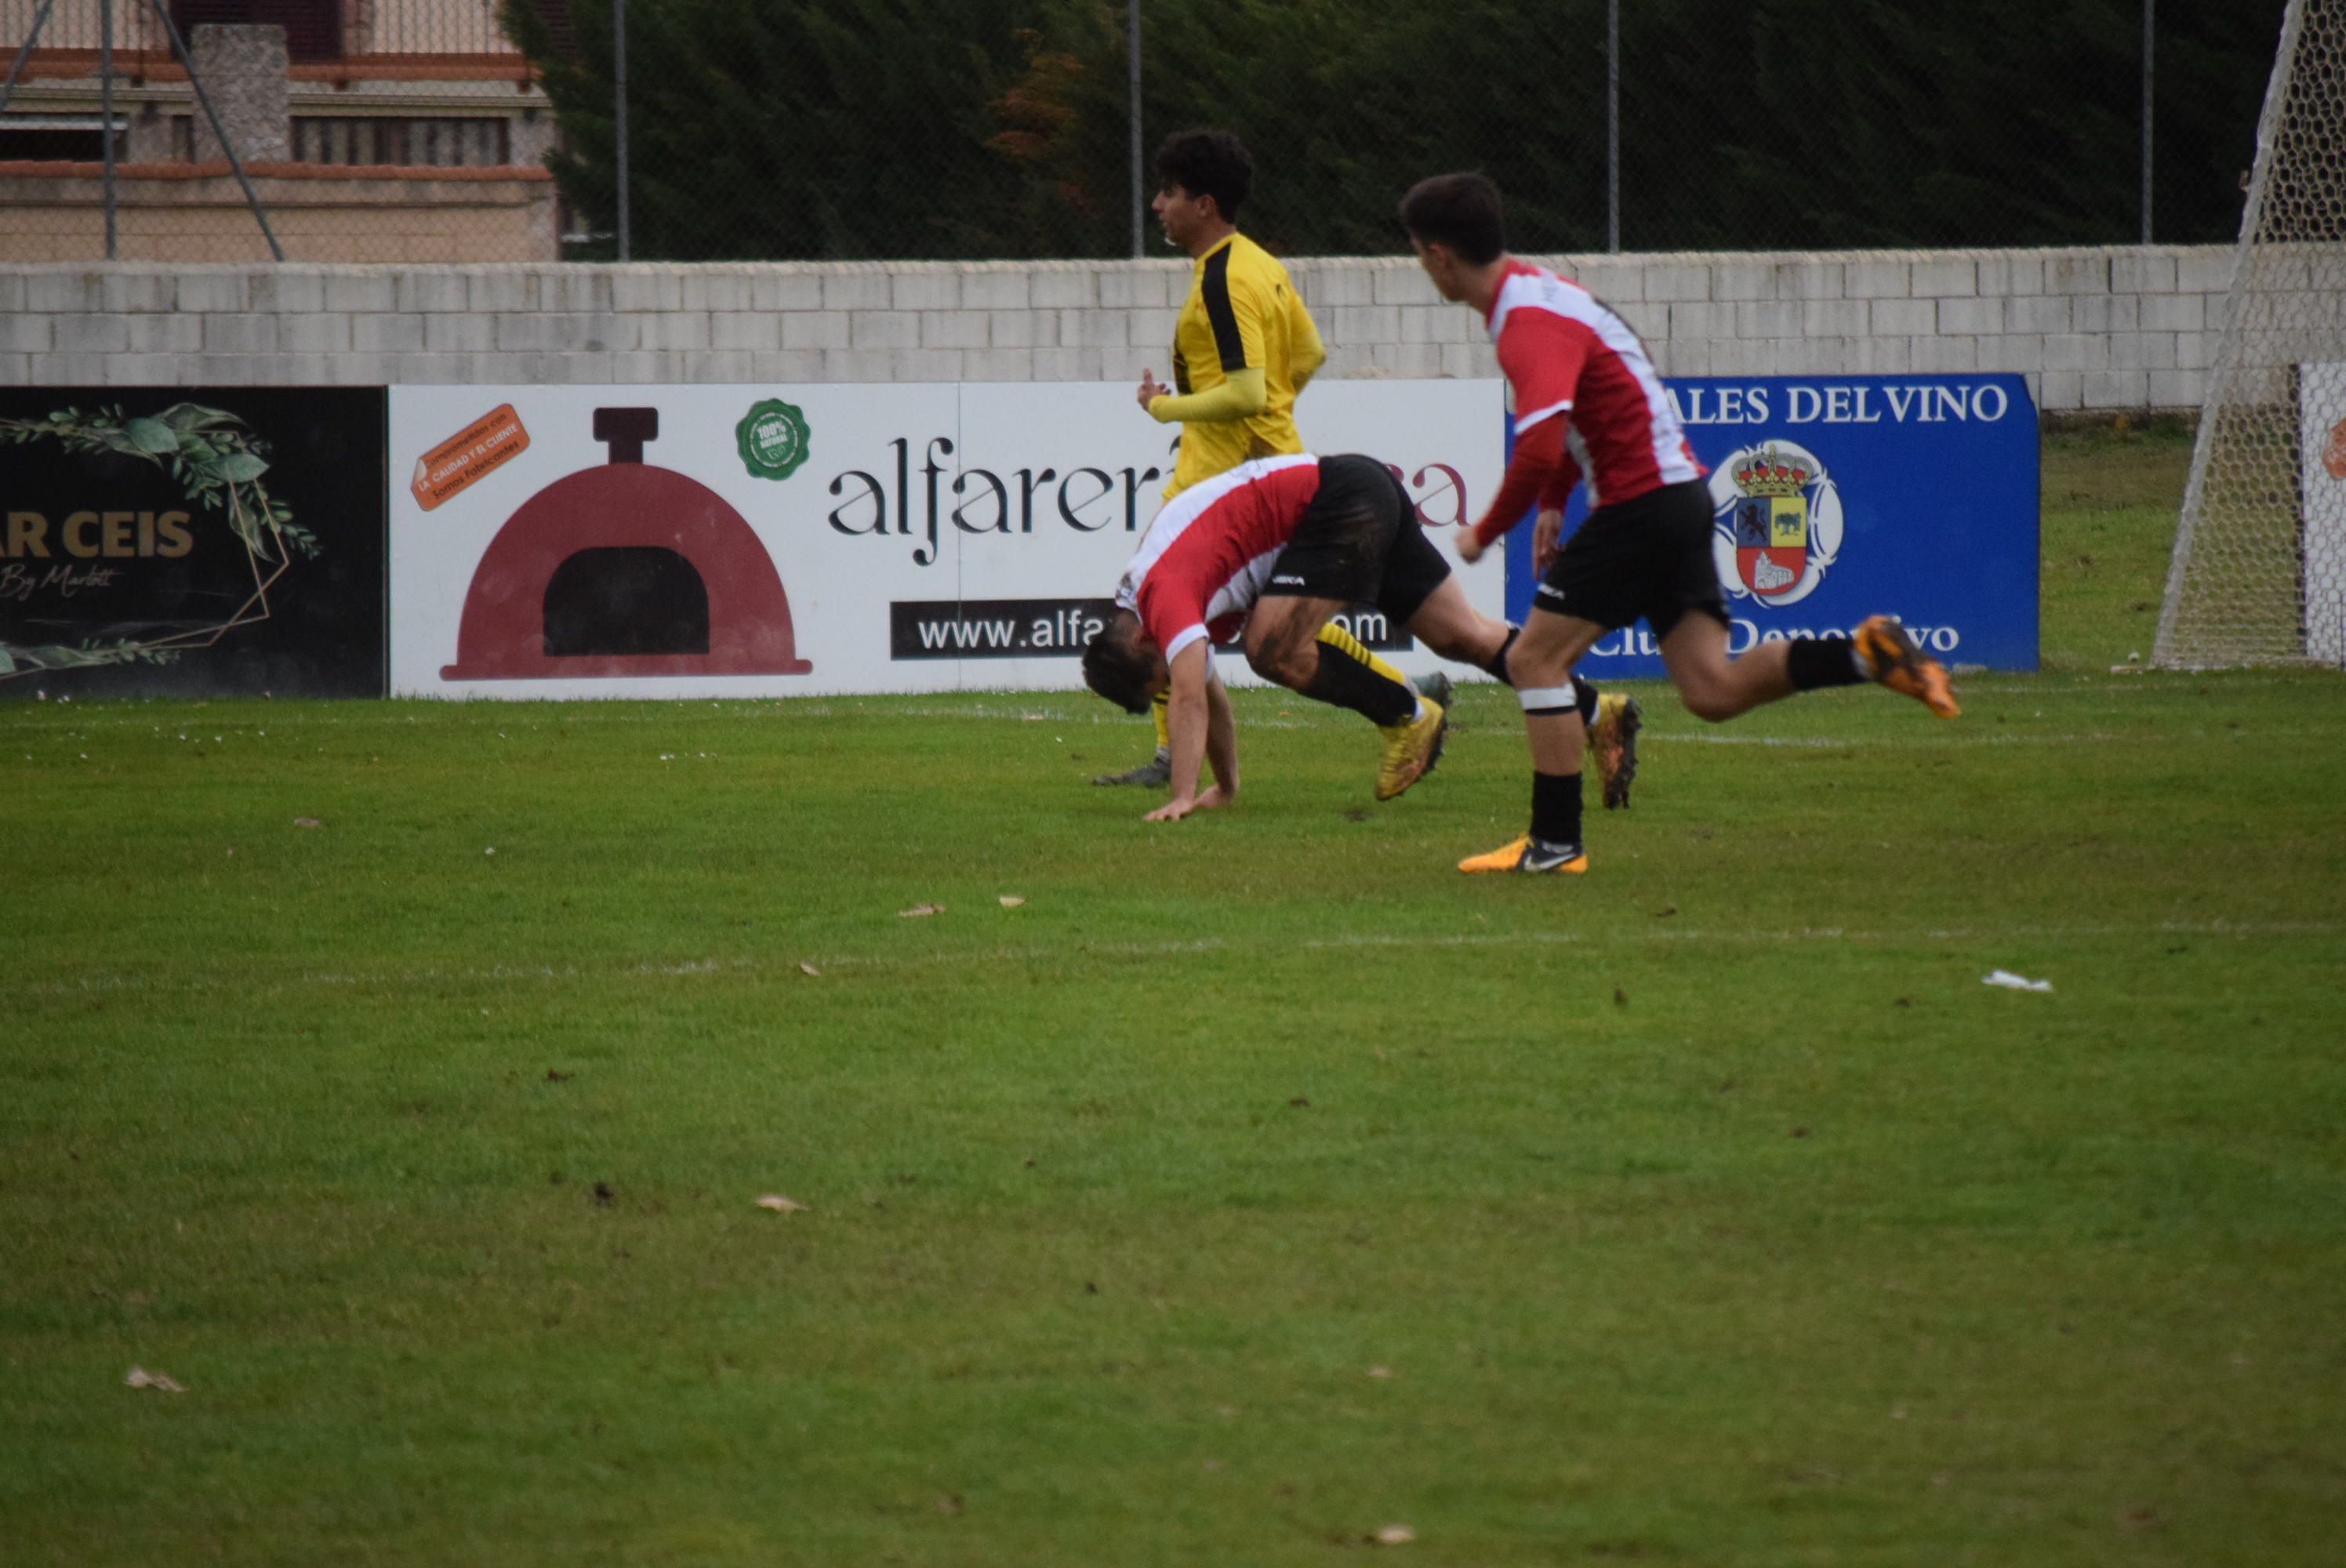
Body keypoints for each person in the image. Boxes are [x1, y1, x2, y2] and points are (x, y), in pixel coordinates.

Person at [1399, 171, 1959, 876]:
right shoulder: (1543, 295)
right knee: (1710, 690)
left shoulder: (1525, 322)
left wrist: (1486, 529)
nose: (1423, 267)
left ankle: (1554, 844)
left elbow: (1542, 441)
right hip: (1681, 498)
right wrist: (1550, 505)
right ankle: (1864, 655)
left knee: (1534, 659)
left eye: (1419, 253)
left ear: (1441, 255)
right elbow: (1580, 416)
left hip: (1639, 506)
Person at [1094, 126, 1444, 789]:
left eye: (1167, 192)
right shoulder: (1260, 262)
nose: (1156, 206)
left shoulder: (1225, 276)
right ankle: (1411, 695)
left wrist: (1168, 409)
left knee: (1163, 611)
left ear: (1204, 204)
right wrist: (1271, 411)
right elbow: (1306, 355)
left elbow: (1249, 388)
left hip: (1221, 475)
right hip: (1269, 461)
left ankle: (1181, 760)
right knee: (1274, 618)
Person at [1082, 452, 1521, 820]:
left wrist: (1180, 796)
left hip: (1340, 505)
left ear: (1140, 641)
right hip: (1357, 491)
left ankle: (1409, 714)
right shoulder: (1152, 599)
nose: (1176, 678)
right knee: (1463, 637)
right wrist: (1227, 786)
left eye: (1164, 676)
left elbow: (1191, 699)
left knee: (1272, 649)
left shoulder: (1164, 595)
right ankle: (1585, 711)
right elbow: (1213, 700)